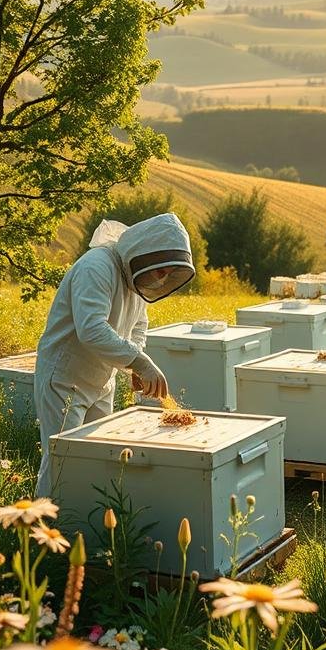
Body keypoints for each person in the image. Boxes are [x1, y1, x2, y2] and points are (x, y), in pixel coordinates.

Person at [33, 213, 195, 497]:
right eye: (161, 268)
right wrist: (140, 362)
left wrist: (135, 360)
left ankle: (86, 529)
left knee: (98, 459)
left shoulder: (134, 281)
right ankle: (44, 532)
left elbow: (138, 325)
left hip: (101, 379)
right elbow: (92, 328)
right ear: (144, 252)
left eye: (168, 271)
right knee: (63, 460)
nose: (162, 277)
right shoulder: (96, 267)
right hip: (64, 378)